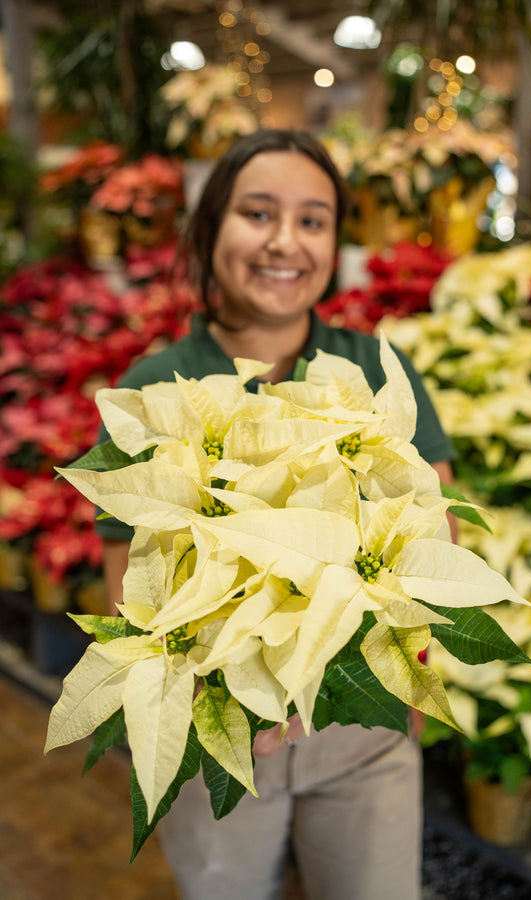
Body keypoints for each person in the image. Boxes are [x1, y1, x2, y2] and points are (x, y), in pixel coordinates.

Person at [96, 129, 456, 900]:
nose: (285, 242)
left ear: (334, 241)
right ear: (211, 227)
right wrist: (207, 691)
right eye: (258, 214)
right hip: (219, 734)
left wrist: (407, 685)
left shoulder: (371, 372)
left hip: (362, 733)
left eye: (313, 219)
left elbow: (436, 536)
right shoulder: (155, 388)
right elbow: (127, 580)